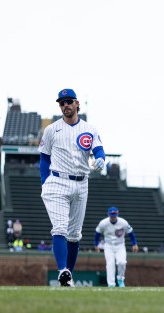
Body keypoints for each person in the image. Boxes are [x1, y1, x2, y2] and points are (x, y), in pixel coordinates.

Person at [39, 88, 106, 287]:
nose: (65, 105)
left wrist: (101, 158)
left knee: (75, 234)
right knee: (59, 228)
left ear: (77, 104)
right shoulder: (52, 129)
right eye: (62, 103)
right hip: (58, 181)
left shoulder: (89, 129)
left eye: (69, 101)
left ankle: (68, 276)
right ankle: (63, 271)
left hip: (81, 183)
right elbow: (44, 157)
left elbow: (99, 149)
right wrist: (45, 181)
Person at [94, 206, 138, 287]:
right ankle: (111, 284)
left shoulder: (123, 222)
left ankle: (120, 279)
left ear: (117, 214)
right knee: (110, 264)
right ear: (109, 215)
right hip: (108, 246)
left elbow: (131, 233)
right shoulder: (103, 223)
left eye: (114, 215)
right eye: (111, 215)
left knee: (122, 262)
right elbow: (97, 232)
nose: (113, 217)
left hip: (120, 245)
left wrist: (134, 244)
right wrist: (96, 244)